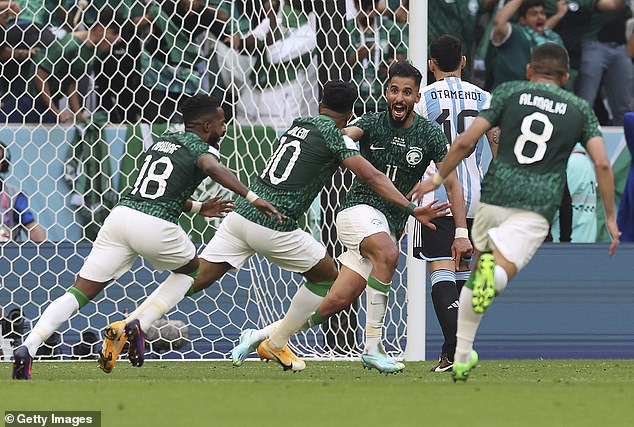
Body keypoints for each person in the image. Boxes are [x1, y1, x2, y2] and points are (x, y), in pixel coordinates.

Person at [123, 80, 449, 372]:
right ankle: (283, 342)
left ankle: (134, 321)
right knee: (326, 277)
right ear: (349, 114)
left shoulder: (299, 123)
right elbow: (373, 175)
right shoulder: (336, 137)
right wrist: (411, 208)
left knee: (196, 277)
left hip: (240, 217)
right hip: (275, 223)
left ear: (320, 105)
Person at [11, 94, 283, 380]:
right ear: (205, 126)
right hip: (156, 225)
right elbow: (211, 168)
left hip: (120, 218)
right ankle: (140, 322)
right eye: (222, 123)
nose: (225, 128)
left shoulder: (162, 142)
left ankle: (28, 347)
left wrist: (201, 207)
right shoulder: (202, 149)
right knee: (192, 271)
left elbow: (159, 190)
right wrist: (253, 197)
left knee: (79, 291)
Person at [412, 43, 621, 382]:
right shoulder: (579, 108)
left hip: (491, 197)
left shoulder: (508, 92)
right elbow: (601, 162)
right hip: (532, 205)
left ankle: (461, 354)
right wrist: (610, 217)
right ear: (566, 77)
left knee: (467, 276)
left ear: (528, 71)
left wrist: (435, 177)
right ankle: (485, 293)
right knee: (492, 276)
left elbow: (464, 142)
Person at [256, 61, 471, 374]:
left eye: (407, 92)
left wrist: (461, 232)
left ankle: (268, 338)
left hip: (386, 225)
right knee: (387, 252)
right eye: (394, 90)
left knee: (336, 301)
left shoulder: (429, 135)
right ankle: (372, 346)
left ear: (417, 97)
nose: (399, 98)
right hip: (357, 211)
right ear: (386, 92)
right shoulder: (370, 123)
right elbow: (342, 134)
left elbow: (453, 184)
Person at [412, 34, 493, 373]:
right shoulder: (485, 97)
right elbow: (497, 141)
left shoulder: (422, 98)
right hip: (477, 196)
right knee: (461, 274)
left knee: (441, 270)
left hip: (438, 197)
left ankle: (460, 348)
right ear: (462, 62)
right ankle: (450, 355)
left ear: (431, 64)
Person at [28, 7, 123, 123]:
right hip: (29, 101)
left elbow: (71, 80)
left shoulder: (95, 52)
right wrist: (55, 111)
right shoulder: (70, 45)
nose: (118, 39)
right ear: (99, 29)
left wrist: (79, 115)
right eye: (114, 33)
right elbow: (40, 75)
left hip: (49, 102)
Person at [489, 0, 564, 89]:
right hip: (509, 94)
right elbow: (499, 23)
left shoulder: (552, 38)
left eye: (542, 13)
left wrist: (559, 15)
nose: (540, 17)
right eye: (534, 14)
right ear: (523, 20)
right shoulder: (513, 34)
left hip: (540, 97)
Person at [0, 140, 46, 242]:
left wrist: (50, 253)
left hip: (7, 254)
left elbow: (31, 227)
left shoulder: (13, 194)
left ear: (4, 163)